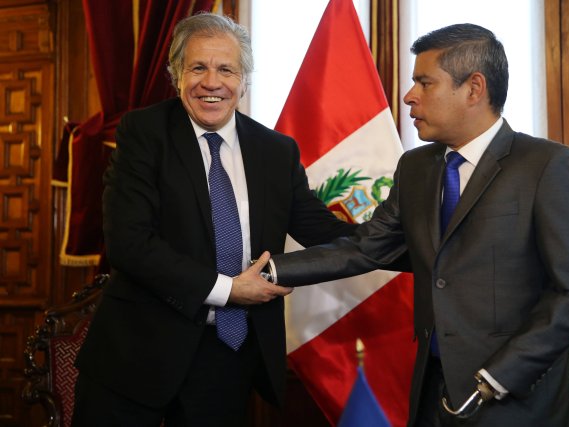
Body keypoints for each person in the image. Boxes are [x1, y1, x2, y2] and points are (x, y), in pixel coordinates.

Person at [251, 23, 569, 426]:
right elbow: (368, 246)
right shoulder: (416, 166)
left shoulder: (545, 166)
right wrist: (272, 269)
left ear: (473, 88)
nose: (409, 96)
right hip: (431, 394)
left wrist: (498, 377)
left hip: (515, 398)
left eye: (424, 82)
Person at [71, 13, 356, 427]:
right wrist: (229, 289)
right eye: (198, 67)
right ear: (176, 74)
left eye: (226, 69)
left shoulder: (276, 150)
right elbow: (129, 244)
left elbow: (322, 229)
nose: (212, 82)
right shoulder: (143, 133)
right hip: (137, 358)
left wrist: (415, 236)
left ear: (245, 79)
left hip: (227, 357)